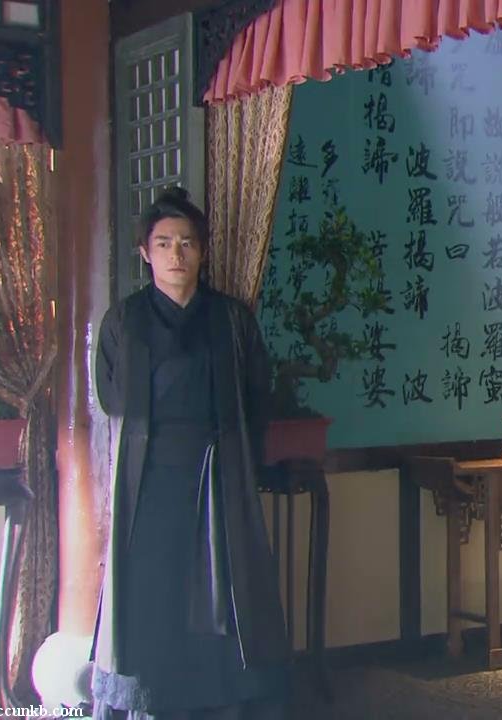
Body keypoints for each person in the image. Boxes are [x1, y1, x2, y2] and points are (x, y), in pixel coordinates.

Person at [91, 187, 289, 719]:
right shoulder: (124, 321)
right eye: (163, 243)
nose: (175, 255)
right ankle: (148, 700)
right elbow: (110, 396)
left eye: (186, 243)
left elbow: (256, 393)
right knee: (149, 587)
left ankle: (225, 701)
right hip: (149, 476)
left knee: (223, 587)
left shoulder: (231, 319)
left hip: (216, 469)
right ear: (145, 252)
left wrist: (243, 462)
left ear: (202, 251)